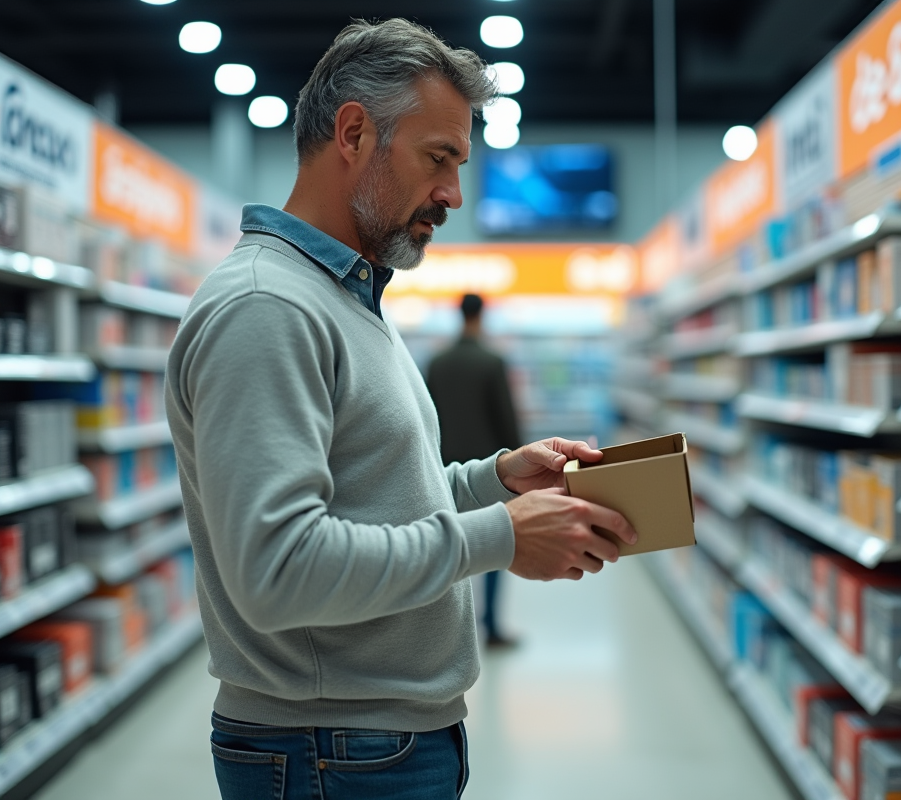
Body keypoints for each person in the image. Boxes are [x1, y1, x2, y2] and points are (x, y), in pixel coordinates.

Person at [164, 18, 638, 800]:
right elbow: (277, 570)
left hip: (367, 740)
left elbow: (370, 498)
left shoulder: (342, 299)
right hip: (327, 751)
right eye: (439, 158)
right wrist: (497, 539)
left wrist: (496, 480)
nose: (454, 193)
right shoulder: (267, 309)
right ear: (353, 132)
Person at [427, 293, 521, 648]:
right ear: (482, 316)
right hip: (489, 466)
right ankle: (492, 625)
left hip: (445, 465)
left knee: (449, 543)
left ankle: (450, 628)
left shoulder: (438, 363)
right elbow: (506, 419)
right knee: (497, 539)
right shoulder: (492, 362)